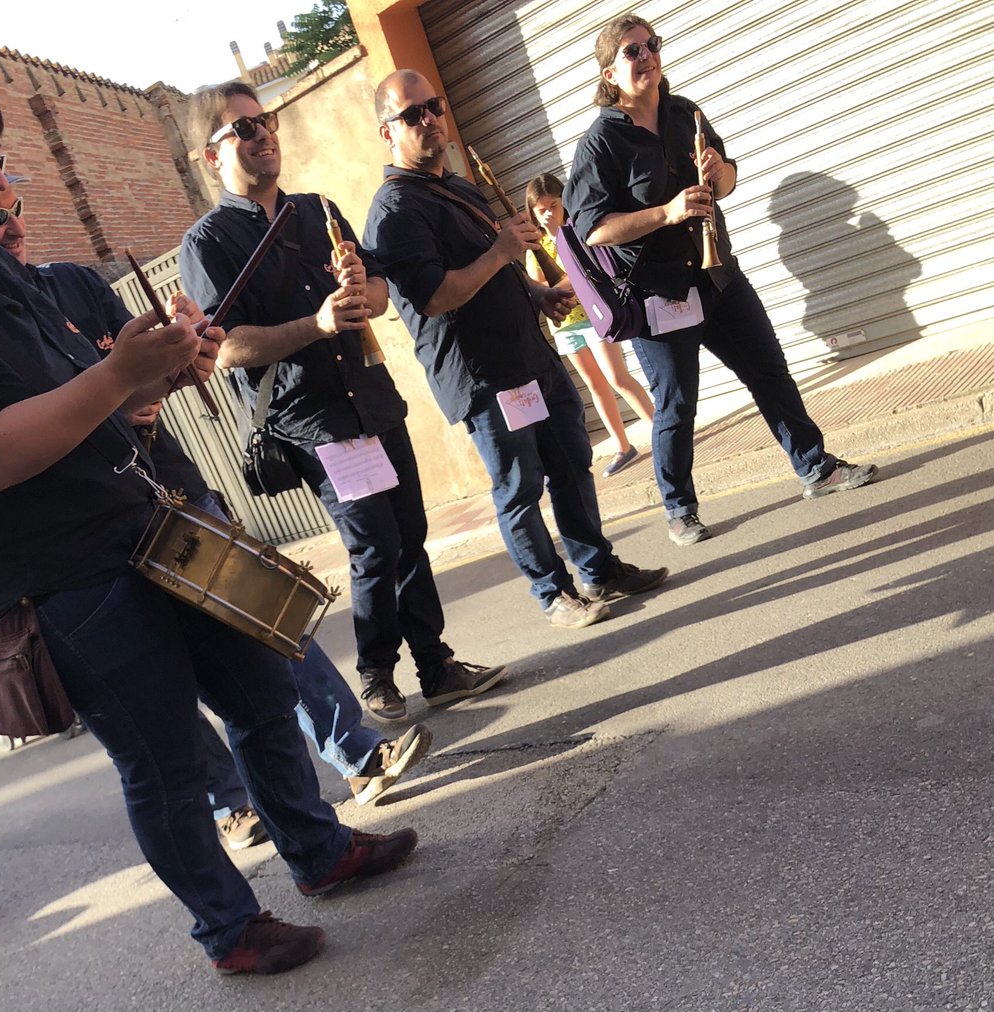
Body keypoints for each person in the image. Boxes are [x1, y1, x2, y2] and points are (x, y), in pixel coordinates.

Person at [0, 53, 417, 976]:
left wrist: (153, 372)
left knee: (261, 687)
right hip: (60, 572)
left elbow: (88, 401)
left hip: (147, 520)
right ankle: (230, 928)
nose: (1, 182)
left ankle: (319, 851)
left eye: (2, 156)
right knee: (164, 758)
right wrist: (119, 374)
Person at [0, 182, 432, 807]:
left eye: (16, 209)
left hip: (171, 490)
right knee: (164, 682)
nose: (10, 225)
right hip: (82, 535)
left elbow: (162, 373)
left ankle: (356, 757)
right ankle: (228, 803)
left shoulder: (73, 284)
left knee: (265, 621)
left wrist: (188, 349)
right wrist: (117, 403)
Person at [179, 80, 507, 720]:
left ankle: (436, 665)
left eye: (265, 120)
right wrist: (318, 325)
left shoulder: (317, 209)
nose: (263, 134)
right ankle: (377, 673)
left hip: (372, 401)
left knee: (410, 532)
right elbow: (225, 348)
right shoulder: (209, 241)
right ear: (209, 156)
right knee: (375, 545)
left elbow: (382, 296)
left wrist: (364, 292)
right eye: (242, 129)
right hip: (315, 420)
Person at [363, 70, 668, 630]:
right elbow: (433, 297)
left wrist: (538, 292)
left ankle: (597, 570)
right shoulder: (394, 211)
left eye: (434, 106)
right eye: (412, 114)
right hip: (484, 375)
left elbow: (496, 270)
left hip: (531, 355)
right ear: (387, 132)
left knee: (574, 464)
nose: (430, 119)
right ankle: (553, 593)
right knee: (519, 488)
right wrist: (504, 249)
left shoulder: (456, 186)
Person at [564, 14, 877, 547]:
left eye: (651, 46)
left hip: (716, 275)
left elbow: (729, 178)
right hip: (659, 293)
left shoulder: (686, 112)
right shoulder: (600, 144)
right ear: (610, 74)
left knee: (770, 372)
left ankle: (815, 468)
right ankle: (679, 507)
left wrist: (719, 171)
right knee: (678, 404)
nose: (647, 57)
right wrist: (666, 213)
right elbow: (592, 229)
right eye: (632, 52)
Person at [523, 172, 655, 477]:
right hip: (565, 325)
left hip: (595, 316)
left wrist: (555, 287)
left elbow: (578, 276)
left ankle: (658, 429)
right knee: (595, 384)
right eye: (539, 209)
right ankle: (623, 446)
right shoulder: (537, 244)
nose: (546, 214)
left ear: (563, 202)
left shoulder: (576, 232)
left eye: (552, 205)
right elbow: (539, 283)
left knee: (617, 377)